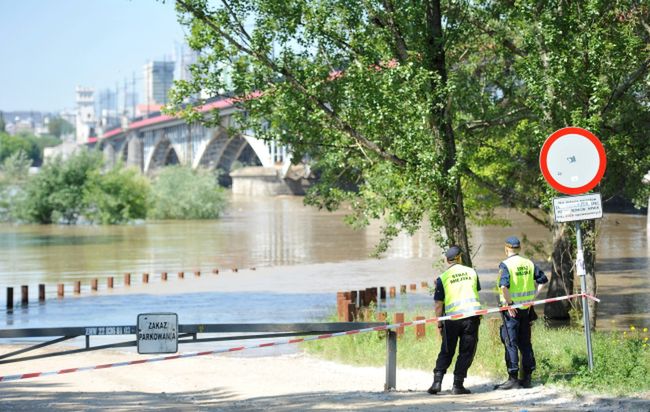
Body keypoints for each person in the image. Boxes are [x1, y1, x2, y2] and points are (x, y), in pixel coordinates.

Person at [495, 236, 548, 390]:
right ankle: (527, 378)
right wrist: (532, 298)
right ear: (519, 249)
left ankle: (512, 379)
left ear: (506, 249)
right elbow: (543, 281)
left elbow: (504, 286)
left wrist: (510, 303)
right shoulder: (529, 263)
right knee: (525, 342)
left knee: (510, 342)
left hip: (511, 311)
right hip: (526, 309)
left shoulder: (505, 265)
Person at [427, 245, 482, 395]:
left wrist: (439, 322)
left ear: (447, 260)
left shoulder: (442, 278)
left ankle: (437, 383)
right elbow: (474, 291)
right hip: (470, 318)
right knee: (466, 351)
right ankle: (458, 385)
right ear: (460, 257)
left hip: (451, 320)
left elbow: (439, 305)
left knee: (446, 350)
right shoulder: (472, 272)